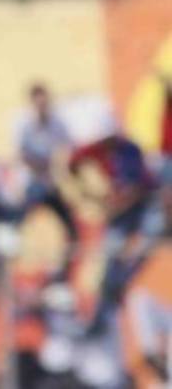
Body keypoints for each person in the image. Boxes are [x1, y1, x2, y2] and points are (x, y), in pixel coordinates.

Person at [68, 117, 164, 335]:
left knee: (146, 244)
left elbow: (135, 191)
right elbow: (72, 162)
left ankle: (123, 282)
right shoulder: (96, 149)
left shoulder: (130, 151)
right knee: (110, 256)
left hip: (144, 205)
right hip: (121, 211)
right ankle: (100, 316)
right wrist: (86, 191)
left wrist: (110, 205)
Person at [12, 82, 78, 281]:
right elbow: (21, 155)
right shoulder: (22, 124)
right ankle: (14, 268)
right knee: (17, 226)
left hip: (52, 183)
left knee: (71, 230)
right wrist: (44, 164)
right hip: (31, 184)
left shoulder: (58, 123)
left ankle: (62, 275)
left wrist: (61, 169)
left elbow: (69, 150)